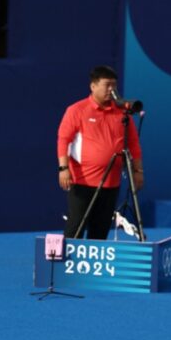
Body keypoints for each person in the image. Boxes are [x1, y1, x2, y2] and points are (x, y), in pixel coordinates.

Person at [57, 65, 144, 239]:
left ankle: (93, 265)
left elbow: (134, 144)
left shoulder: (122, 113)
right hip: (83, 182)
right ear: (93, 86)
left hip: (111, 184)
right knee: (76, 227)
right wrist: (63, 169)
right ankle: (65, 264)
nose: (111, 90)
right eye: (107, 85)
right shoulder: (76, 110)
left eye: (114, 85)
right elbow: (63, 140)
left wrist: (138, 171)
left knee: (101, 229)